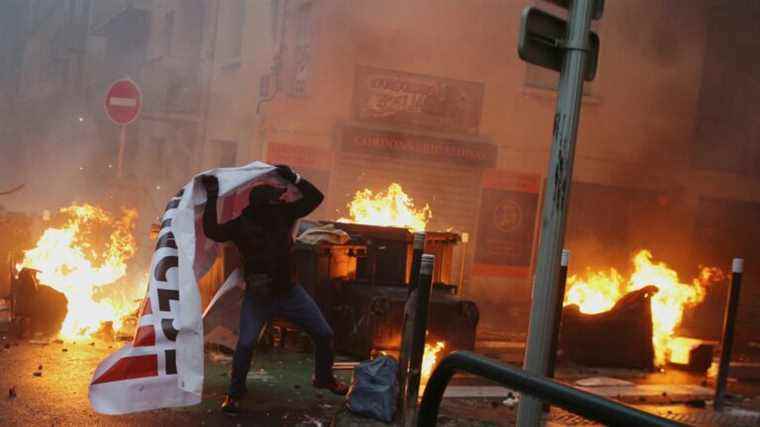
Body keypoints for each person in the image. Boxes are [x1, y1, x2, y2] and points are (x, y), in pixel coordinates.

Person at [201, 165, 348, 415]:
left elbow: (316, 198)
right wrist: (212, 197)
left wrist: (295, 177)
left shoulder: (282, 214)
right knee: (245, 344)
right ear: (266, 205)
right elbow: (212, 231)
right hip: (259, 298)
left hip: (289, 292)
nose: (281, 200)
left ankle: (323, 378)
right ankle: (234, 394)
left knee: (323, 333)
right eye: (275, 199)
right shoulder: (247, 223)